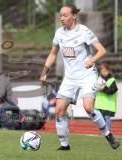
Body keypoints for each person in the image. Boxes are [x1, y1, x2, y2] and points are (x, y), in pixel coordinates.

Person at [39, 4, 120, 150]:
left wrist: (91, 60)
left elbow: (102, 50)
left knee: (88, 108)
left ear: (74, 16)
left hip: (87, 75)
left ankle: (109, 135)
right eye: (61, 15)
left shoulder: (84, 31)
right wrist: (44, 72)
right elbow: (52, 54)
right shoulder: (59, 33)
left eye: (65, 15)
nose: (62, 18)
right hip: (70, 78)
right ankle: (64, 146)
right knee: (59, 111)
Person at [95, 63, 118, 129]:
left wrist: (104, 88)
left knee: (107, 118)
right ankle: (103, 131)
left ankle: (107, 132)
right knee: (100, 119)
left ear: (108, 71)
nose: (104, 73)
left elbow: (113, 90)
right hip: (100, 104)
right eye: (102, 71)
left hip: (108, 105)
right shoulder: (98, 79)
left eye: (105, 71)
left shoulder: (112, 80)